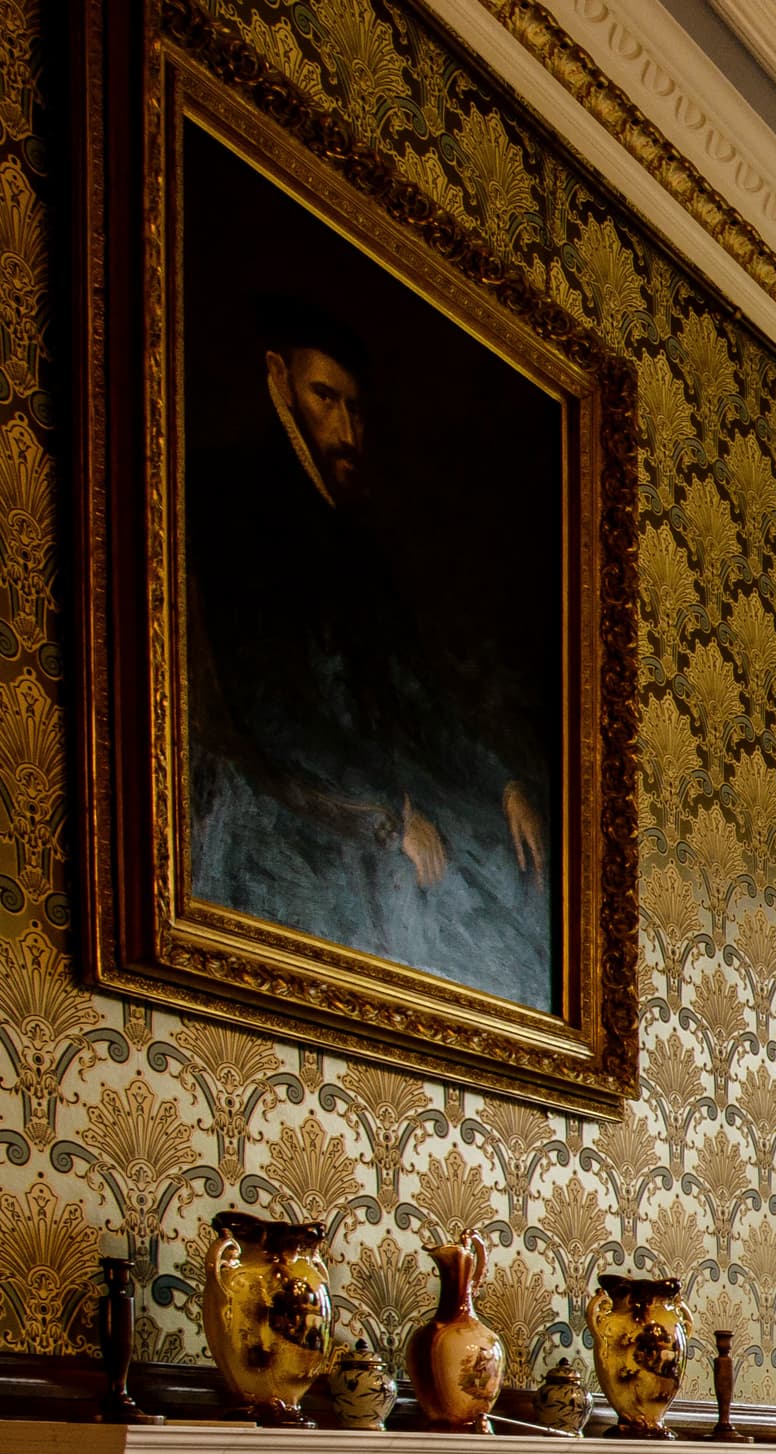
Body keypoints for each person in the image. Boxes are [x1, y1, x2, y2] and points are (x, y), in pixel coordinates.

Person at [186, 290, 559, 1013]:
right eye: (326, 398)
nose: (347, 430)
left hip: (380, 786)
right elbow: (266, 707)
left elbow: (416, 694)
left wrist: (503, 781)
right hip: (284, 796)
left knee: (509, 879)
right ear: (276, 378)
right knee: (428, 892)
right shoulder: (231, 500)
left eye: (356, 410)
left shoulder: (356, 545)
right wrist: (385, 811)